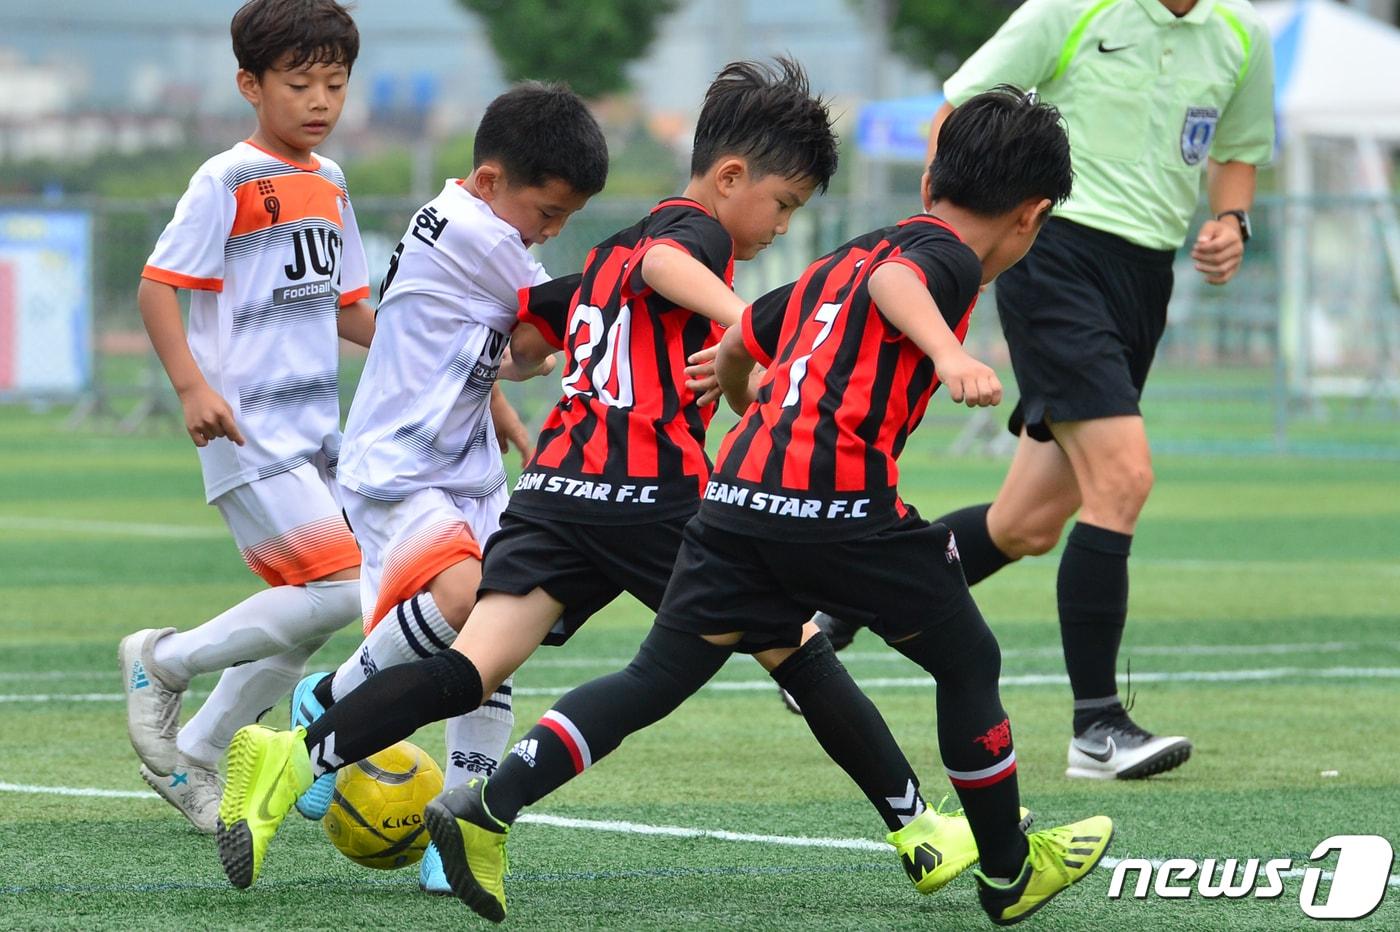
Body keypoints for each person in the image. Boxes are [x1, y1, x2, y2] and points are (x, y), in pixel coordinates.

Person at [214, 59, 1005, 901]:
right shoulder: (692, 233)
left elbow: (526, 336)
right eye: (783, 203)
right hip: (649, 495)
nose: (780, 224)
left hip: (556, 490)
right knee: (798, 648)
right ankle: (919, 828)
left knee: (468, 671)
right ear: (730, 178)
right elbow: (669, 260)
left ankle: (294, 756)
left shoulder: (606, 256)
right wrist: (749, 326)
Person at [428, 86, 1112, 926]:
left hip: (735, 501)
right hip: (836, 506)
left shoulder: (851, 254)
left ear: (933, 177)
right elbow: (903, 283)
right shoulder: (940, 258)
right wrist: (947, 351)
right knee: (968, 661)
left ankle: (488, 808)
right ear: (1031, 215)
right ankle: (1009, 872)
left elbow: (755, 328)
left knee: (655, 677)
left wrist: (738, 382)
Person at [919, 0, 1276, 781]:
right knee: (1124, 477)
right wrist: (952, 242)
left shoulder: (1244, 34)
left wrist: (1233, 220)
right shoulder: (1070, 11)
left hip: (1146, 277)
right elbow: (956, 113)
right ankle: (1097, 728)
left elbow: (1239, 151)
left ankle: (843, 599)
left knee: (1028, 523)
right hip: (1057, 256)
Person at [282, 80, 608, 894]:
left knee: (502, 638)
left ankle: (455, 821)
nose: (550, 234)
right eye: (546, 215)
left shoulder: (476, 224)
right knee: (469, 600)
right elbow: (561, 308)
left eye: (564, 223)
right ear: (493, 182)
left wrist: (503, 405)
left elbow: (482, 337)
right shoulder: (473, 228)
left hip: (464, 466)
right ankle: (328, 700)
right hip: (399, 466)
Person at [117, 0, 372, 834]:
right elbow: (159, 287)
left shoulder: (330, 183)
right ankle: (163, 659)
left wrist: (463, 348)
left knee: (313, 615)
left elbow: (351, 310)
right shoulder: (225, 179)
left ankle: (199, 746)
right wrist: (192, 387)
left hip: (318, 435)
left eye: (334, 83)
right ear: (250, 86)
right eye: (299, 83)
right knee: (347, 590)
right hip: (248, 429)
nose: (320, 101)